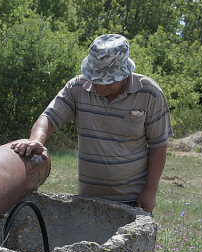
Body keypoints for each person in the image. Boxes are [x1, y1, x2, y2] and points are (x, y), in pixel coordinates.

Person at [11, 34, 172, 213]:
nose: (97, 86)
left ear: (124, 74)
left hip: (133, 200)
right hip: (88, 199)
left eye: (106, 81)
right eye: (94, 79)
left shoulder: (150, 93)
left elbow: (159, 145)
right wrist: (37, 140)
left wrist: (151, 191)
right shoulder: (77, 88)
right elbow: (49, 117)